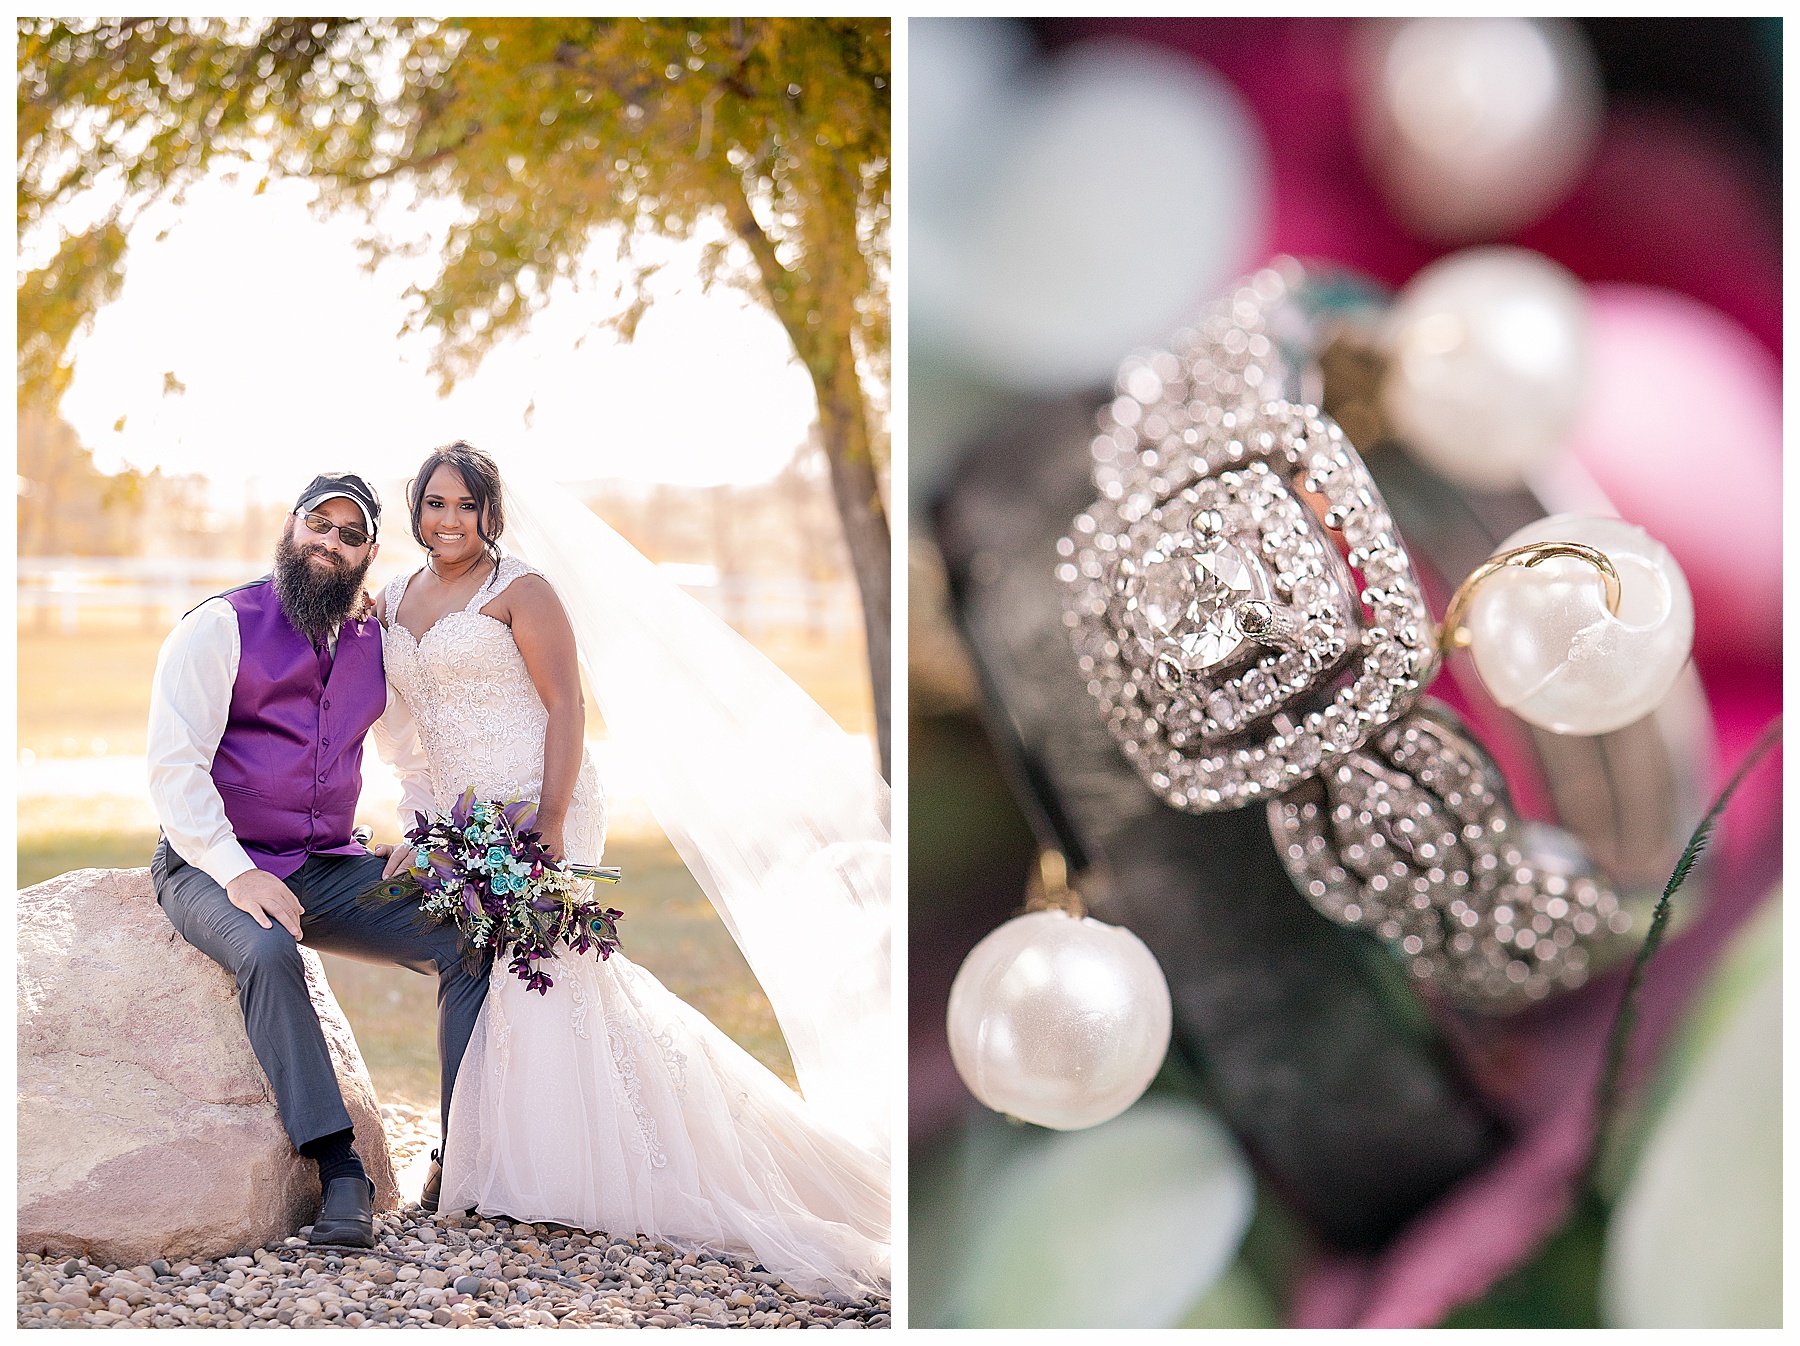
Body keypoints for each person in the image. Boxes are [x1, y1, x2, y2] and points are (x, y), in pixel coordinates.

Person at [372, 442, 890, 1294]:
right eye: (434, 503)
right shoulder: (396, 597)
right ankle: (505, 1162)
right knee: (496, 978)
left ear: (491, 512)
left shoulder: (523, 592)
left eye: (466, 505)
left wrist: (544, 821)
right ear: (416, 508)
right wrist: (424, 822)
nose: (449, 520)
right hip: (460, 818)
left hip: (540, 802)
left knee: (542, 976)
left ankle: (548, 1170)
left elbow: (566, 704)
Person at [147, 473, 490, 1249]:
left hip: (323, 863)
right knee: (269, 951)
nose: (329, 543)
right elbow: (174, 772)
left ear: (370, 551)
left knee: (467, 935)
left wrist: (425, 827)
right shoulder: (218, 627)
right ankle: (338, 1169)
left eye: (349, 533)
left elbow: (414, 755)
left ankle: (461, 1158)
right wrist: (238, 871)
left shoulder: (372, 640)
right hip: (209, 865)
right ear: (292, 527)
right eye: (318, 524)